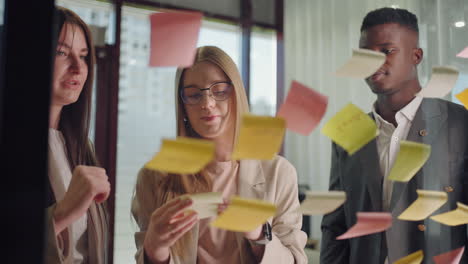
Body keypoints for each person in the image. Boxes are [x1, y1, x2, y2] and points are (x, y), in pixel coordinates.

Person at [132, 46, 307, 264]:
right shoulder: (153, 177)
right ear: (182, 106)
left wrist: (259, 233)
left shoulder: (279, 173)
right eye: (194, 95)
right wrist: (154, 249)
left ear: (237, 95)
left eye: (220, 91)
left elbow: (295, 260)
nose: (207, 104)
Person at [320, 7, 468, 264]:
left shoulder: (459, 123)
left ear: (416, 55)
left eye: (387, 51)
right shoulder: (349, 133)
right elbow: (336, 225)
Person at [45, 6, 110, 264]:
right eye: (62, 52)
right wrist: (62, 213)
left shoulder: (82, 147)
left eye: (83, 56)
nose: (78, 68)